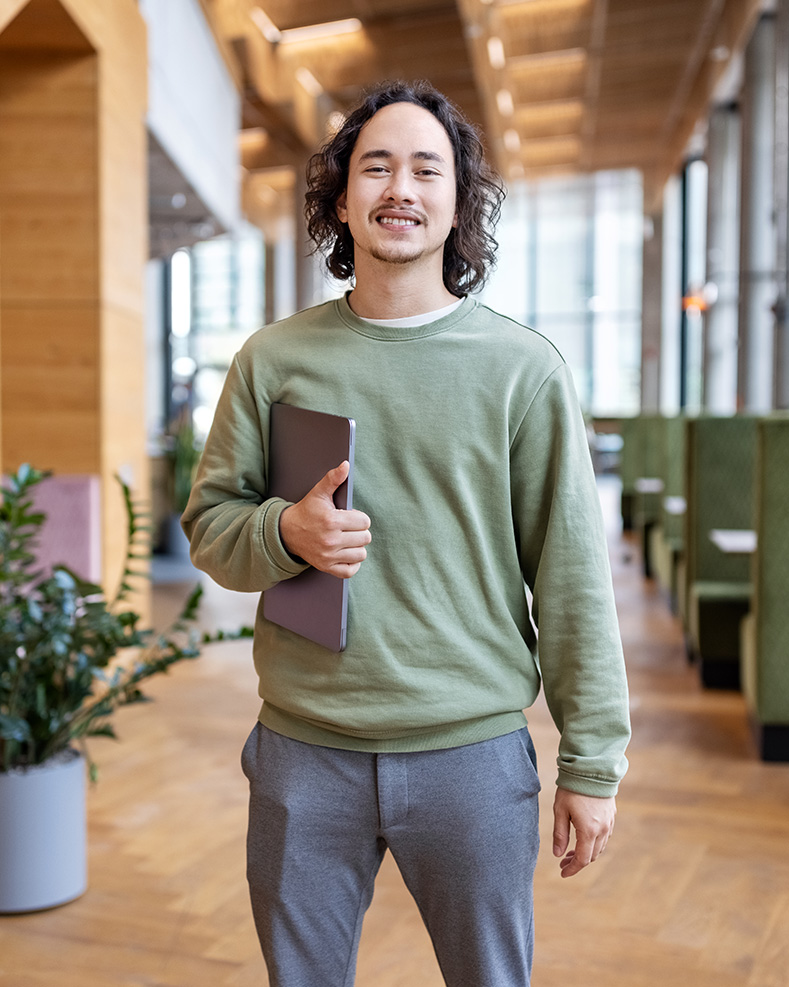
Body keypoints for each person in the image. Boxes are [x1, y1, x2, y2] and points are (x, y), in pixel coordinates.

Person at [182, 79, 630, 987]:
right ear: (341, 198)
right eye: (375, 166)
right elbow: (210, 528)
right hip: (304, 753)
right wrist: (285, 532)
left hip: (470, 757)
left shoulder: (523, 370)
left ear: (459, 201)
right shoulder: (275, 360)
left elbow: (574, 578)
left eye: (427, 168)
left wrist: (593, 761)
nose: (401, 189)